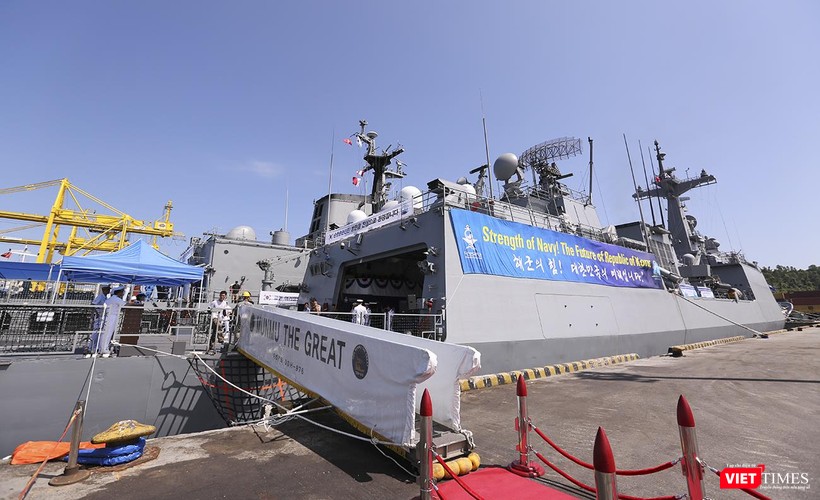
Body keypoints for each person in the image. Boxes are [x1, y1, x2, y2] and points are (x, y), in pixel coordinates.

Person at [97, 286, 126, 357]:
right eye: (122, 292)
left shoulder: (111, 298)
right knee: (107, 333)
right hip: (111, 316)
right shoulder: (116, 299)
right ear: (119, 292)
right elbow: (126, 305)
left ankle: (102, 348)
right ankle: (104, 349)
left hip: (110, 316)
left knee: (107, 333)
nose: (123, 293)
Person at [88, 284, 111, 355]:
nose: (109, 290)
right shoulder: (100, 296)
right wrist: (96, 313)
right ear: (104, 290)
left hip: (102, 316)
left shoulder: (105, 297)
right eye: (108, 289)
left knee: (100, 332)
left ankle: (96, 348)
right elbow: (93, 304)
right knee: (96, 332)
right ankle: (91, 347)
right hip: (99, 316)